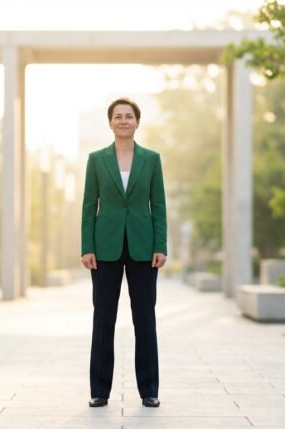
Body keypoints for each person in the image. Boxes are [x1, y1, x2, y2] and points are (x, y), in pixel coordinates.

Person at [81, 97, 167, 408]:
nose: (123, 121)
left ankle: (150, 390)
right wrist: (87, 247)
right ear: (110, 123)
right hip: (105, 247)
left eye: (129, 116)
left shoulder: (152, 159)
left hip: (144, 247)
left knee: (145, 319)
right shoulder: (96, 159)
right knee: (103, 319)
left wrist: (161, 245)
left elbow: (158, 205)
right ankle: (99, 391)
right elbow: (89, 206)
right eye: (118, 116)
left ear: (137, 122)